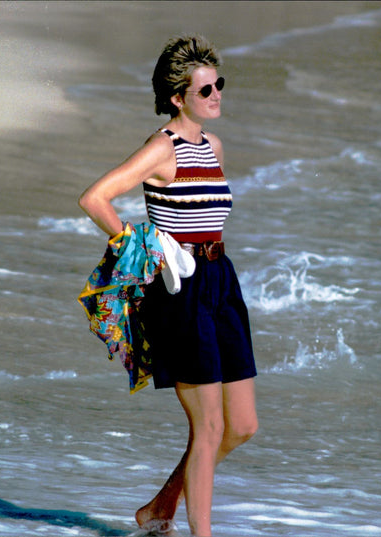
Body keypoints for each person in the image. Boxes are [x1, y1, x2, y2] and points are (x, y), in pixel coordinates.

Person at [78, 35, 258, 537]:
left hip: (222, 281)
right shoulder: (162, 147)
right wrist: (140, 249)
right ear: (178, 97)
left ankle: (160, 509)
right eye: (205, 90)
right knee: (209, 429)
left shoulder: (213, 145)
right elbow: (95, 198)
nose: (217, 94)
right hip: (181, 290)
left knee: (241, 426)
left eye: (218, 84)